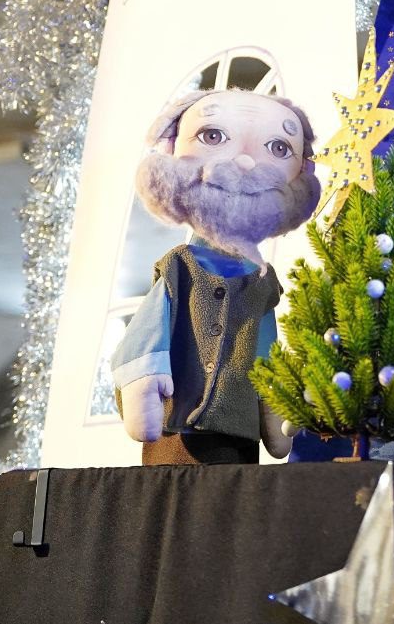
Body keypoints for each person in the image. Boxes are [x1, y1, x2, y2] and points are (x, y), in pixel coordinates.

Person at [111, 89, 321, 464]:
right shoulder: (180, 265)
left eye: (278, 147)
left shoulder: (262, 281)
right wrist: (142, 381)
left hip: (237, 429)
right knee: (171, 490)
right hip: (178, 423)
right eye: (212, 135)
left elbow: (266, 348)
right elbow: (148, 329)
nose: (245, 161)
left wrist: (273, 406)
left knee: (236, 493)